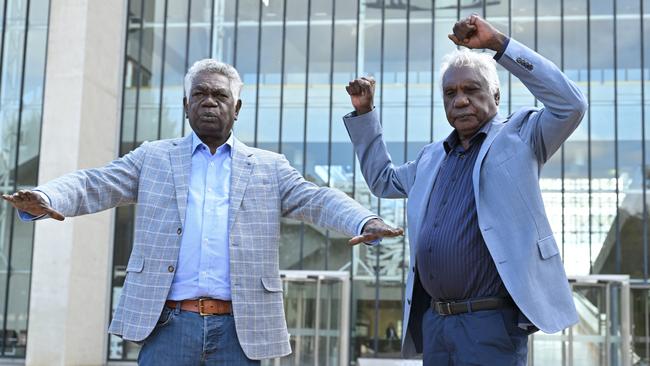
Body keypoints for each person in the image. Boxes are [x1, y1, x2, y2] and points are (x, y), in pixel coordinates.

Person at [2, 59, 404, 365]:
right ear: (186, 103)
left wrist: (364, 219)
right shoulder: (152, 157)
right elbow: (95, 183)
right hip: (168, 327)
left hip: (239, 329)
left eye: (220, 96)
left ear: (237, 107)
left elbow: (317, 199)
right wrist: (47, 196)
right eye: (200, 95)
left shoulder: (269, 166)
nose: (209, 102)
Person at [343, 15, 586, 365]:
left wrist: (499, 44)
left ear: (496, 96)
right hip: (437, 323)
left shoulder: (521, 136)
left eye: (472, 90)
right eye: (450, 93)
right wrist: (365, 114)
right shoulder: (431, 158)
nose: (460, 100)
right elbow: (384, 180)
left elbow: (571, 105)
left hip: (491, 325)